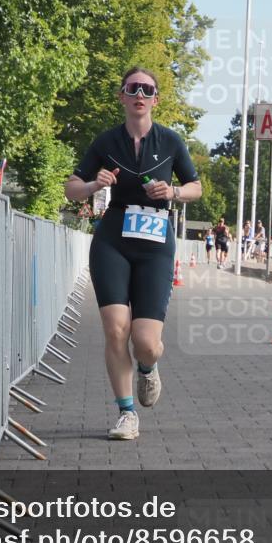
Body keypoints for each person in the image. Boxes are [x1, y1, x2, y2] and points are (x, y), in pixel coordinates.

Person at [64, 67, 202, 440]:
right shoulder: (106, 142)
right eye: (132, 88)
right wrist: (95, 183)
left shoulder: (170, 141)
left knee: (145, 342)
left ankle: (148, 368)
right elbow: (70, 188)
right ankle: (127, 413)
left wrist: (173, 193)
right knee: (115, 330)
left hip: (156, 242)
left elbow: (196, 186)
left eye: (147, 89)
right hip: (114, 237)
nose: (139, 94)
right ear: (122, 97)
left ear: (155, 99)